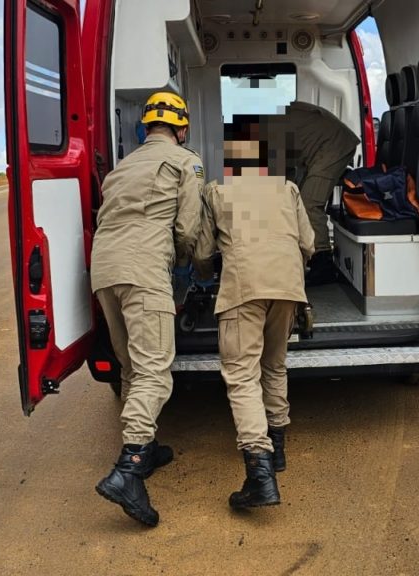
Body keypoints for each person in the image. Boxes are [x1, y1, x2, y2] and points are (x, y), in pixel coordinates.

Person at [91, 91, 204, 527]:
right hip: (143, 268)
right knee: (155, 369)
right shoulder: (183, 161)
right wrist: (185, 265)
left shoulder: (122, 167)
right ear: (182, 127)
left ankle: (149, 445)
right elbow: (188, 226)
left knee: (131, 366)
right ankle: (130, 467)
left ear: (145, 127)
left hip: (105, 269)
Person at [195, 135, 315, 509]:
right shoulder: (288, 188)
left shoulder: (217, 192)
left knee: (242, 375)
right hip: (288, 286)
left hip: (243, 287)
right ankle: (277, 450)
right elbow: (308, 243)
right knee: (274, 365)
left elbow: (200, 251)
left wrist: (203, 273)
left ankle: (260, 476)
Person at [264, 102, 359, 284]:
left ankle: (323, 262)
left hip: (333, 146)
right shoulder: (272, 125)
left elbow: (278, 182)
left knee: (308, 204)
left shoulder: (269, 134)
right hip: (322, 147)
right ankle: (307, 253)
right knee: (297, 199)